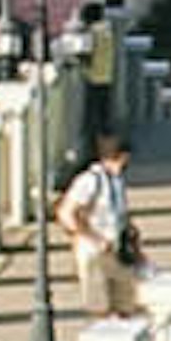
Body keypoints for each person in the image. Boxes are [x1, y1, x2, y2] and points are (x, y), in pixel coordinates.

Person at [53, 133, 137, 318]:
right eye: (124, 158)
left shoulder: (117, 181)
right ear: (118, 157)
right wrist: (94, 238)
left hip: (117, 250)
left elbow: (120, 215)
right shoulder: (90, 181)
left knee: (125, 304)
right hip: (94, 252)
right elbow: (66, 214)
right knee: (100, 306)